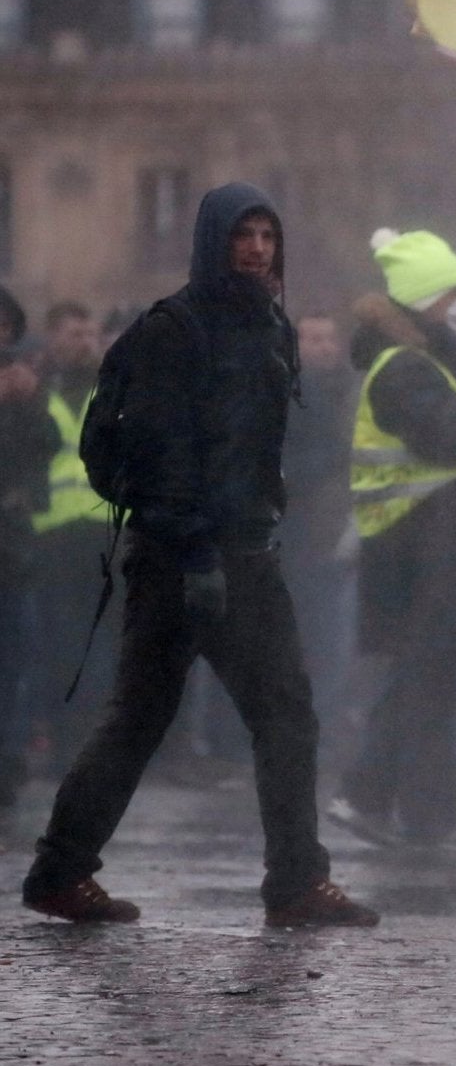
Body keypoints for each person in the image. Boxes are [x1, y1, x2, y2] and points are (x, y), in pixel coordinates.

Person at [21, 183, 375, 926]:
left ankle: (61, 871)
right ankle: (295, 885)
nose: (255, 248)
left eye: (267, 236)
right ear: (213, 242)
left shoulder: (268, 327)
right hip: (192, 555)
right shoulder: (176, 331)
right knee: (265, 715)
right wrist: (196, 550)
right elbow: (163, 448)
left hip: (236, 546)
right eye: (242, 235)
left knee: (169, 717)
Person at [328, 230, 456, 850]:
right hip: (419, 545)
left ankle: (399, 804)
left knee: (429, 680)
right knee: (426, 682)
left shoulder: (432, 362)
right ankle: (405, 807)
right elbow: (451, 436)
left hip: (442, 543)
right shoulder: (403, 370)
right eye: (454, 293)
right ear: (426, 299)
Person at [29, 300, 114, 766]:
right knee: (60, 642)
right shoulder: (36, 389)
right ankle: (65, 743)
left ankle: (91, 744)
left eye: (90, 334)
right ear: (52, 337)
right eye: (73, 334)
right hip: (55, 534)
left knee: (101, 644)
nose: (84, 343)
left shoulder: (117, 388)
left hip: (107, 532)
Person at [281, 311, 359, 763]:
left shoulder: (353, 391)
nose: (326, 348)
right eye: (314, 339)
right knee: (314, 639)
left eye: (331, 338)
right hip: (305, 533)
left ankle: (329, 726)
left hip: (347, 531)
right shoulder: (289, 394)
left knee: (336, 640)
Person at [0, 287, 57, 811]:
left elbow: (49, 442)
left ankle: (8, 759)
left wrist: (27, 399)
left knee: (16, 653)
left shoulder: (23, 382)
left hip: (13, 544)